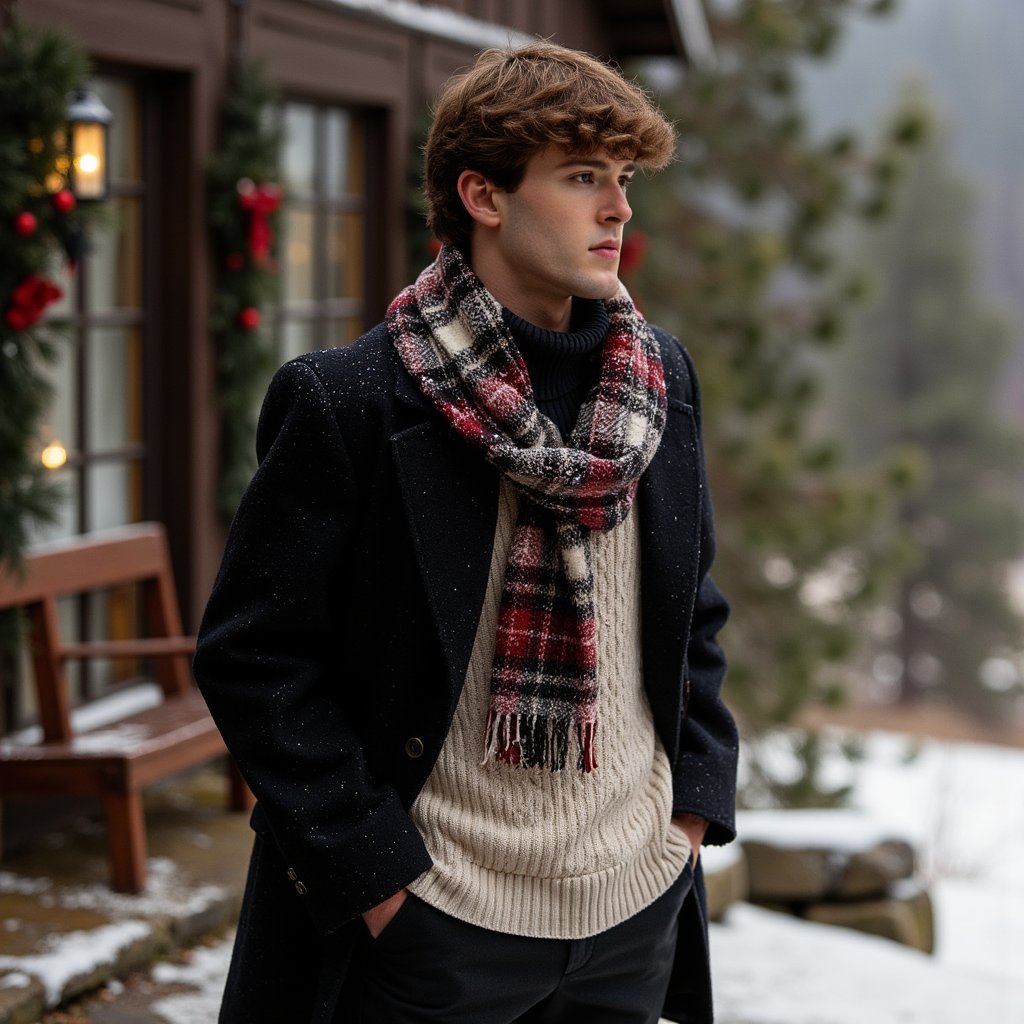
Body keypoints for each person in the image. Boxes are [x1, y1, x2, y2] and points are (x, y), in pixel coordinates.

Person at [194, 40, 738, 1024]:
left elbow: (689, 614)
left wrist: (688, 818)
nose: (618, 208)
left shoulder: (662, 382)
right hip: (435, 923)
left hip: (631, 910)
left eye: (622, 180)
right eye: (582, 178)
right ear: (482, 195)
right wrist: (379, 884)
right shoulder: (351, 400)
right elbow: (255, 659)